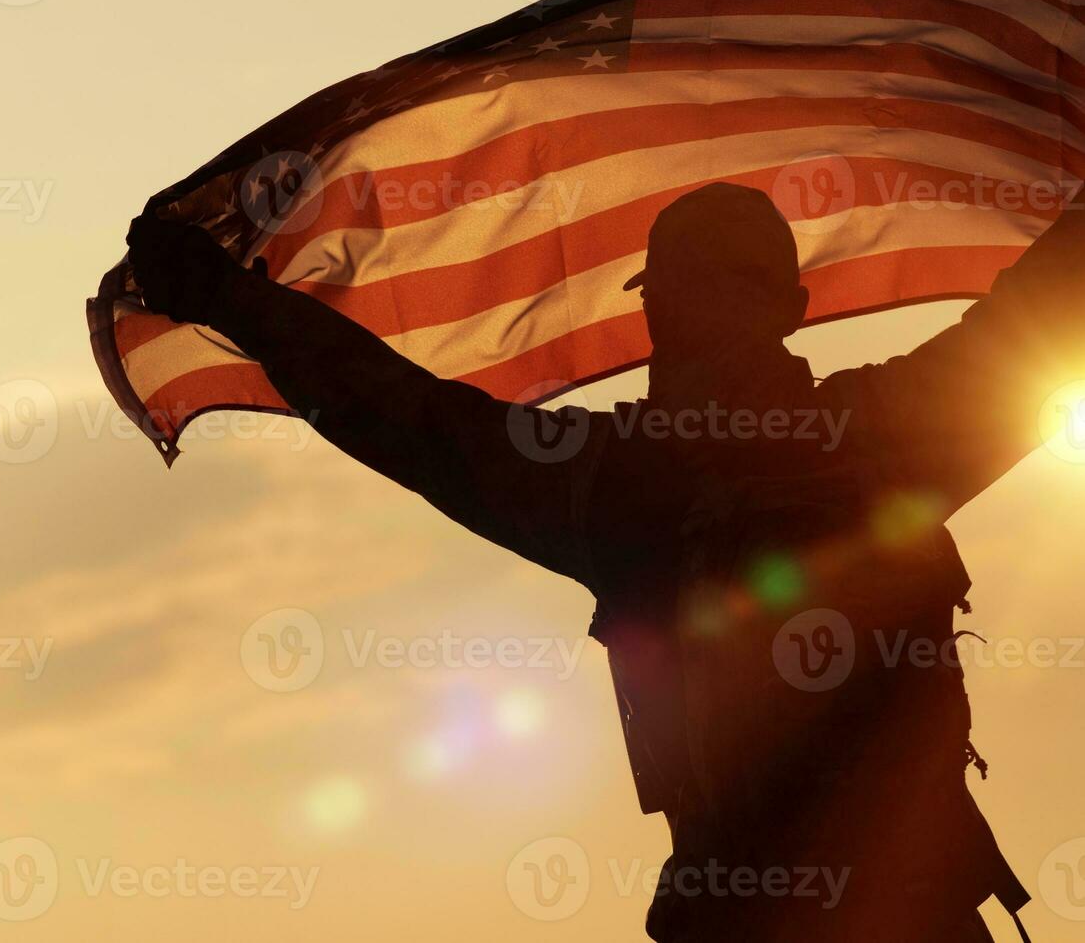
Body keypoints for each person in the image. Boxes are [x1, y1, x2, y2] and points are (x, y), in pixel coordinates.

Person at [125, 181, 1083, 940]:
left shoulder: (607, 484)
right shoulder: (878, 439)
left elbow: (399, 416)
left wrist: (229, 297)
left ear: (653, 308)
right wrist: (227, 297)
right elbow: (1042, 320)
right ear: (791, 306)